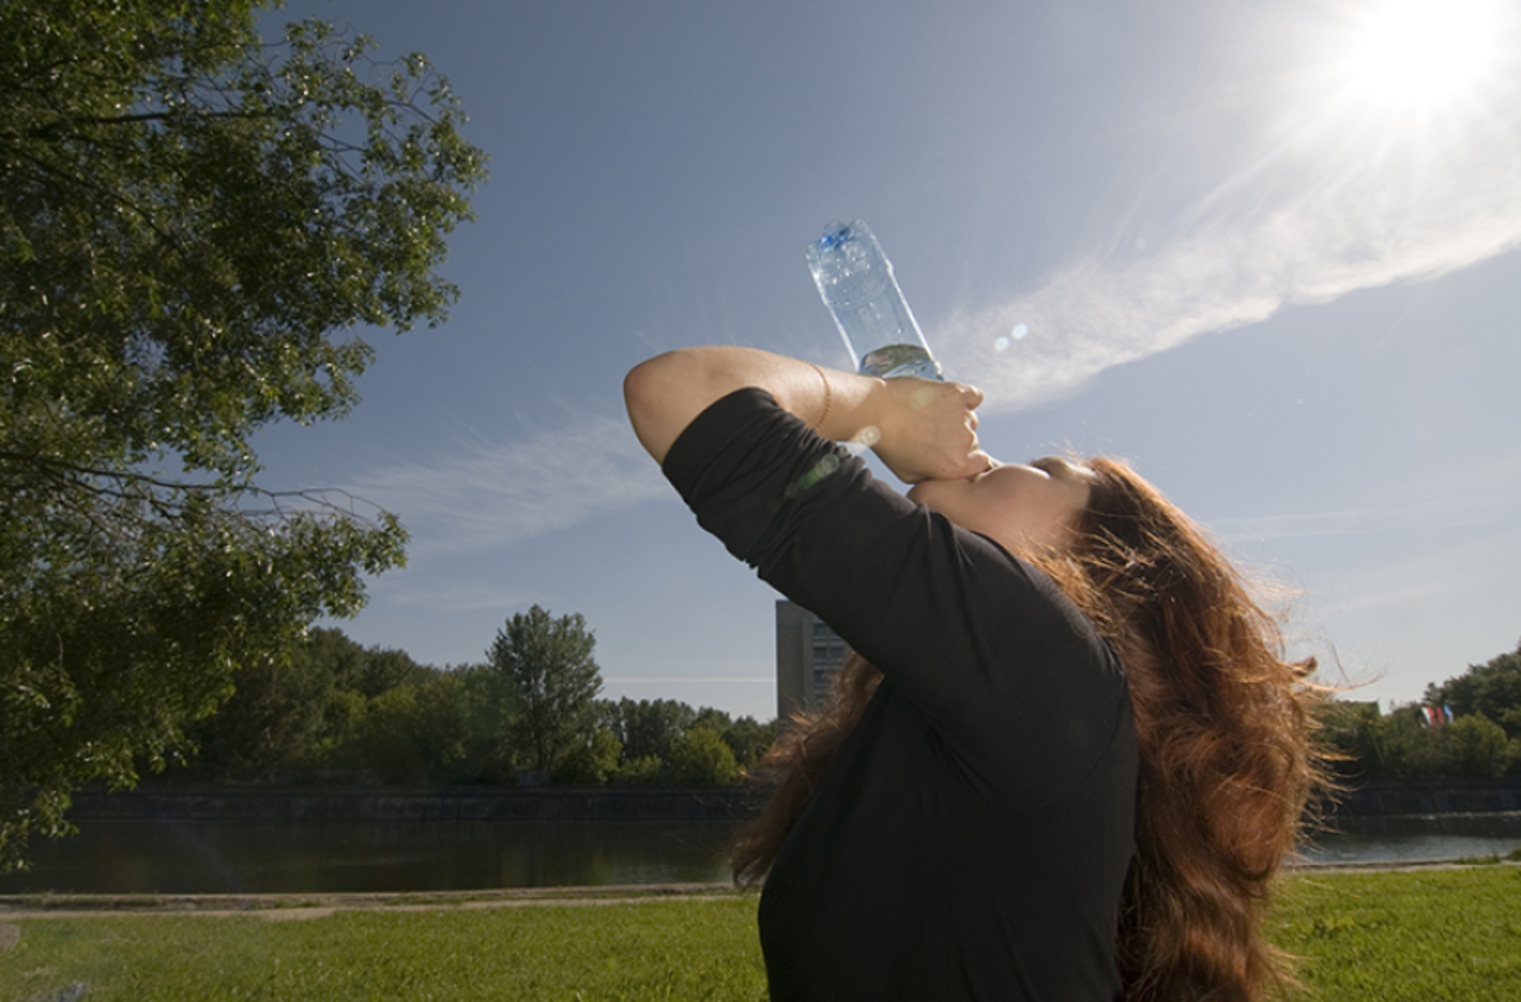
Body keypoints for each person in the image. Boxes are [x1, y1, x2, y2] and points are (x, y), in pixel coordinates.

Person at [624, 346, 1328, 1002]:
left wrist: (880, 409)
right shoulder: (985, 713)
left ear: (1104, 557)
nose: (991, 457)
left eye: (1046, 467)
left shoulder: (1050, 662)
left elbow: (684, 393)